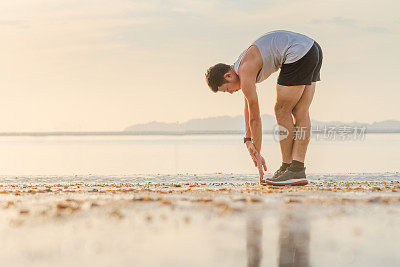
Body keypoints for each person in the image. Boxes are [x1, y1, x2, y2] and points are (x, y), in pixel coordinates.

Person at [205, 30, 323, 186]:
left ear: (228, 76)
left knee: (281, 110)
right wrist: (248, 140)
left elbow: (255, 118)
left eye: (227, 89)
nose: (231, 92)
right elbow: (248, 106)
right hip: (313, 49)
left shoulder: (244, 69)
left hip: (298, 52)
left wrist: (258, 155)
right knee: (300, 111)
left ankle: (290, 168)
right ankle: (296, 168)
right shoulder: (242, 65)